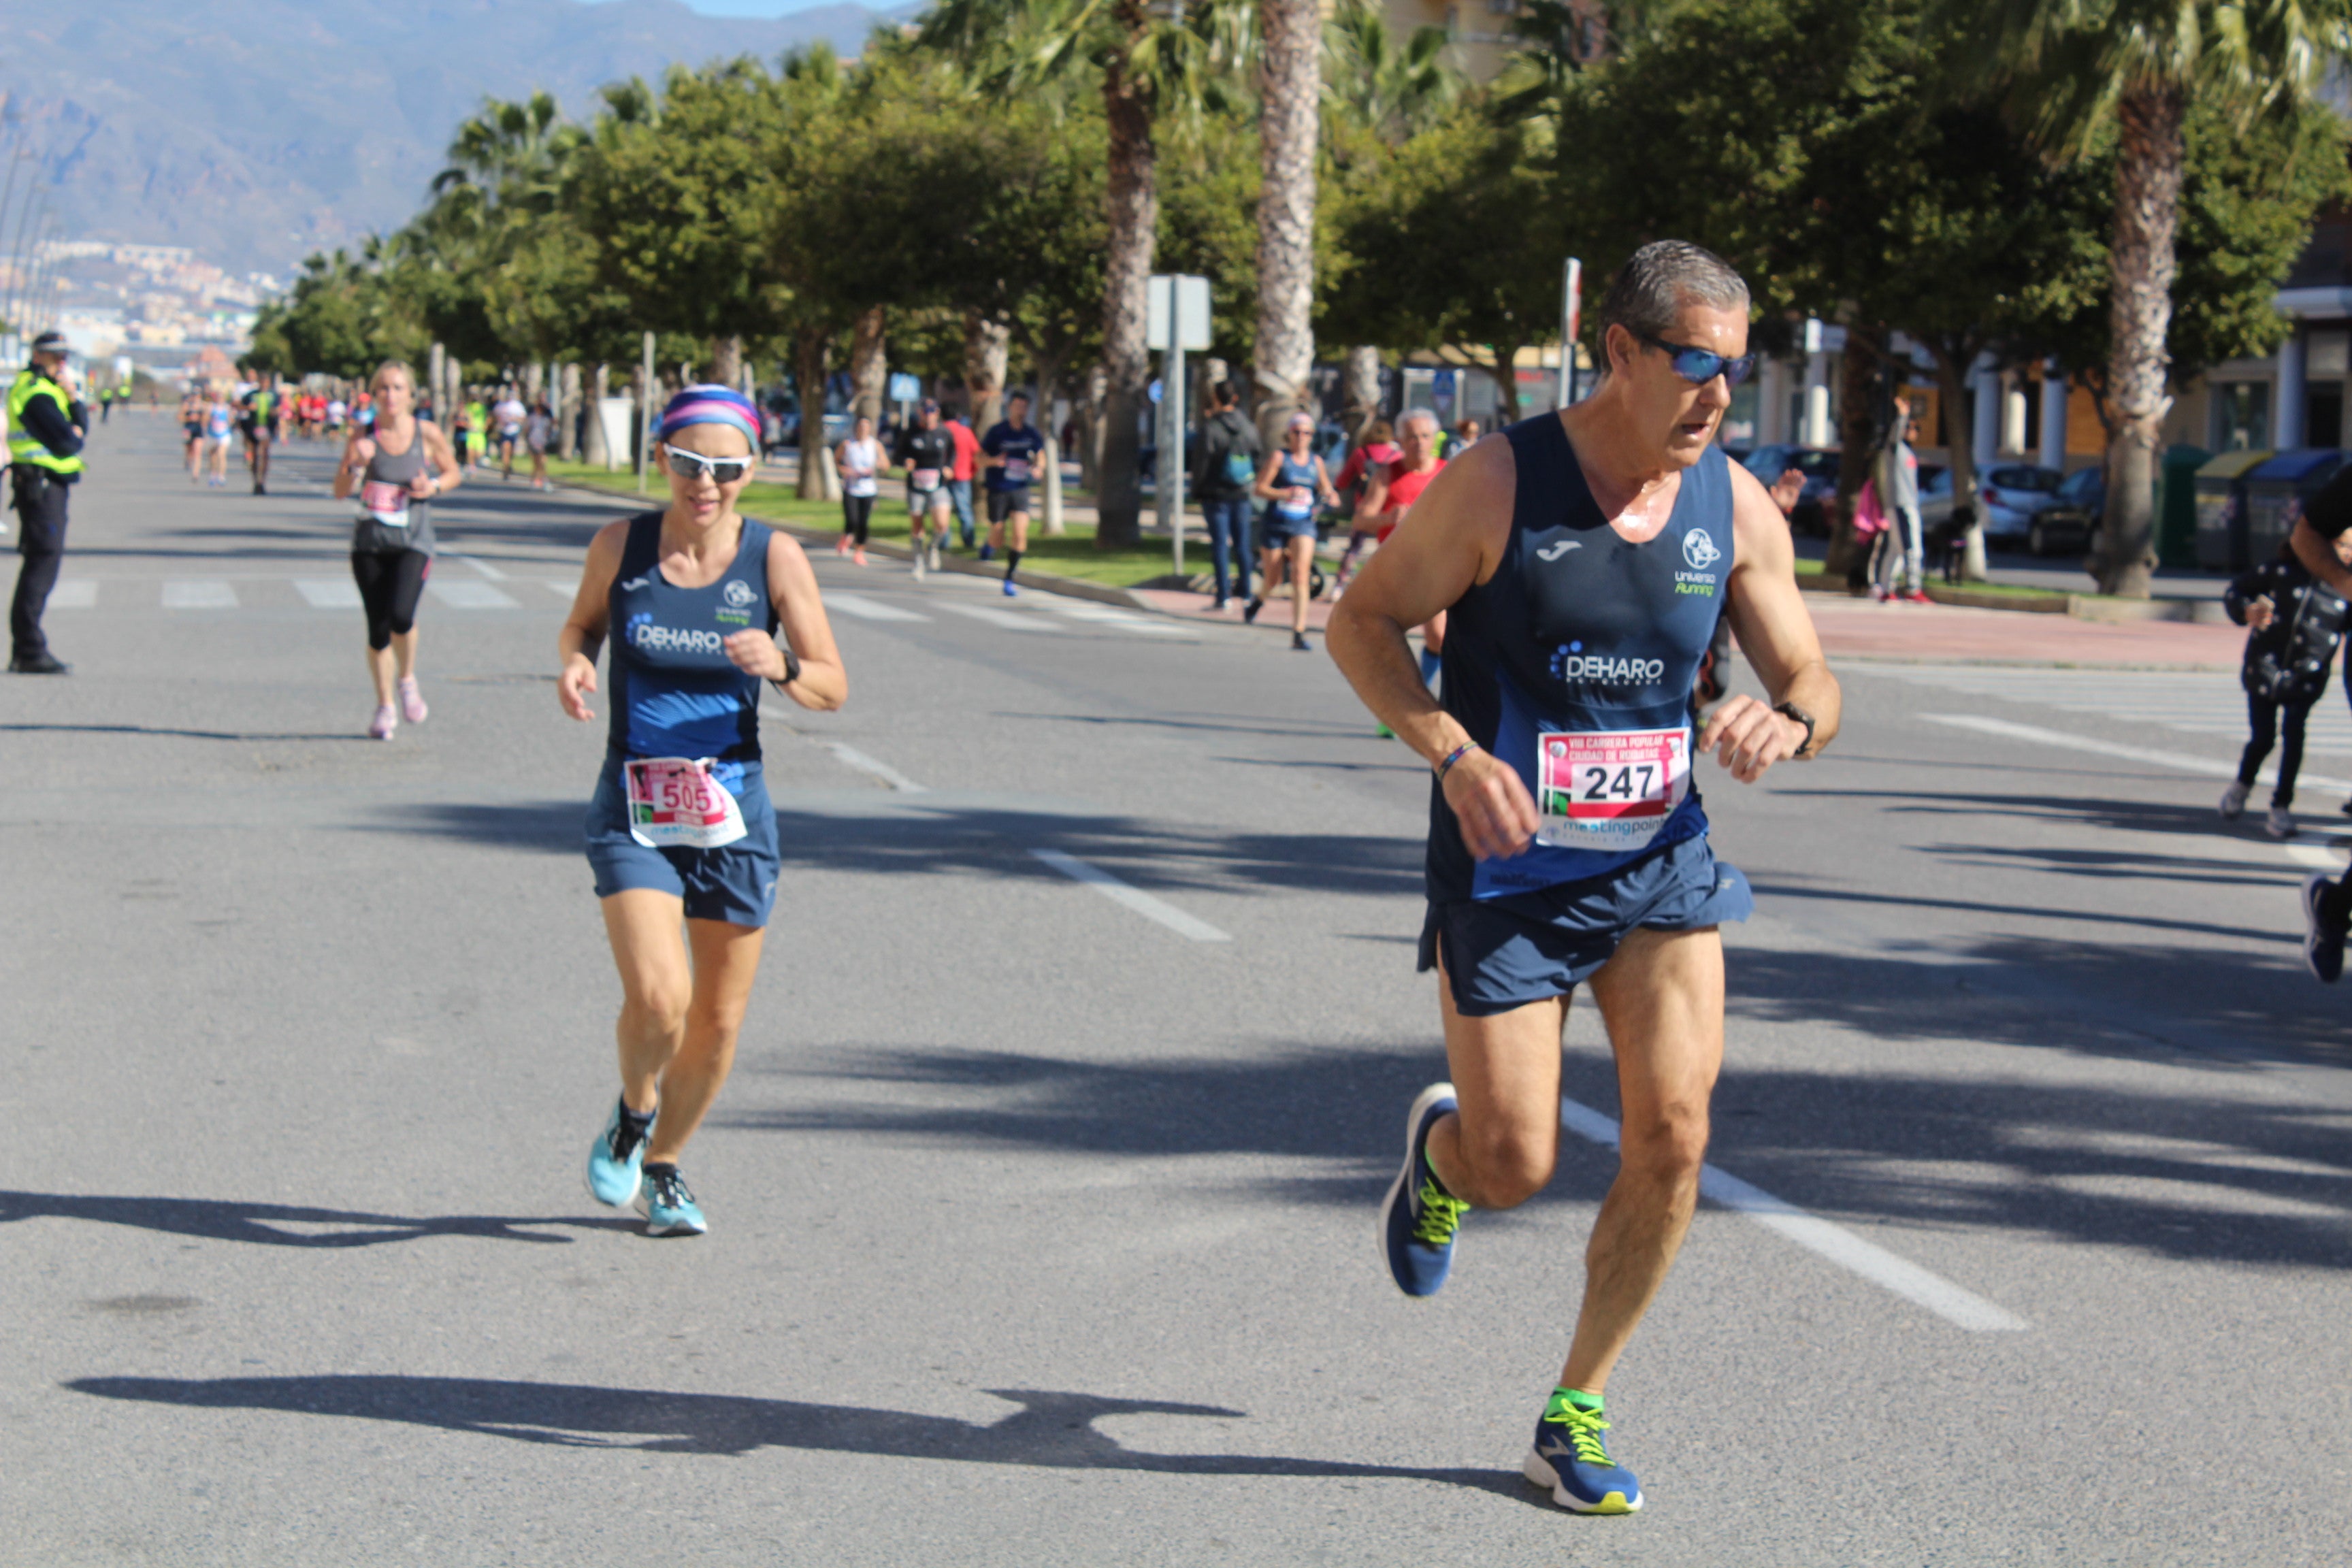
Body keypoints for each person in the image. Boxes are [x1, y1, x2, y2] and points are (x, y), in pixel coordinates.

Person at [1326, 240, 1840, 1516]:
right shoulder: (1497, 484)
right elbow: (1361, 618)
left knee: (1675, 1134)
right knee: (1517, 1163)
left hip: (1660, 866)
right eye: (1694, 366)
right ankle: (1443, 1163)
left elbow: (1815, 681)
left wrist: (1794, 721)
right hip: (1506, 877)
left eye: (1737, 370)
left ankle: (1576, 1405)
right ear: (1617, 349)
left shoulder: (1736, 504)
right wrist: (1448, 751)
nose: (1719, 397)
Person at [557, 385, 848, 1237]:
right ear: (664, 460)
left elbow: (833, 684)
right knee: (661, 1000)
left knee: (718, 1023)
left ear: (752, 469)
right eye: (690, 463)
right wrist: (574, 665)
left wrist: (785, 665)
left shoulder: (776, 558)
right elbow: (581, 628)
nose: (706, 483)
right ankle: (635, 1107)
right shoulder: (622, 544)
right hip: (638, 801)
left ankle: (666, 1165)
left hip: (732, 808)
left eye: (726, 468)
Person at [330, 361, 463, 740]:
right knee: (378, 630)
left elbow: (453, 472)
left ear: (410, 395)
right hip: (369, 543)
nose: (390, 395)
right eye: (384, 388)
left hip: (413, 541)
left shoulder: (426, 433)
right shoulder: (362, 434)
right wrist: (355, 464)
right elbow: (340, 490)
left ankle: (407, 679)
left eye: (398, 388)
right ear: (375, 394)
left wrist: (432, 487)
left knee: (402, 614)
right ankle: (385, 705)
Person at [2219, 537, 2349, 840]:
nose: (2346, 552)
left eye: (2351, 547)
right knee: (2263, 738)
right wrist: (2246, 609)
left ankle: (2281, 806)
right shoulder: (2281, 571)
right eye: (2341, 543)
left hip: (2307, 675)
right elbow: (2235, 591)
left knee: (2294, 734)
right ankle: (2242, 785)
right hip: (2264, 667)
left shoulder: (2345, 587)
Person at [7, 331, 87, 675]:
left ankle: (27, 648)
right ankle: (29, 649)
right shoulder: (36, 392)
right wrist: (74, 418)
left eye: (66, 357)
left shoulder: (49, 389)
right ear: (38, 356)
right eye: (56, 357)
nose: (63, 363)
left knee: (42, 564)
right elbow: (69, 442)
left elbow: (78, 431)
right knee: (41, 564)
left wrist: (73, 399)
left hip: (46, 485)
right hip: (39, 486)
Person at [1246, 411, 1339, 650]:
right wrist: (1285, 493)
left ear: (1312, 436)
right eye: (1296, 432)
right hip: (1276, 522)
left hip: (1303, 523)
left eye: (1306, 433)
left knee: (1300, 574)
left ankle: (1298, 632)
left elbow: (1326, 487)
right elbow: (1260, 488)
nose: (1301, 437)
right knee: (1274, 578)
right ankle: (1257, 602)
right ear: (1288, 434)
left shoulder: (1315, 462)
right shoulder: (1280, 458)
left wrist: (1331, 495)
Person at [1192, 380, 1261, 611]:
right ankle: (1247, 591)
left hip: (1216, 494)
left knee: (1220, 545)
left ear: (1216, 398)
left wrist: (1198, 490)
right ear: (1235, 399)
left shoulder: (1211, 427)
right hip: (1242, 493)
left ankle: (1223, 596)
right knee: (1242, 545)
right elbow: (1258, 457)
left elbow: (1202, 461)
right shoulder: (1249, 427)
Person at [980, 391, 1045, 595]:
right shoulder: (997, 432)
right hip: (998, 487)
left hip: (1020, 489)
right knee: (998, 536)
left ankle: (1010, 577)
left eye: (1025, 407)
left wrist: (1039, 468)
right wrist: (994, 461)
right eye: (1018, 406)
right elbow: (979, 459)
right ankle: (989, 546)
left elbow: (1040, 455)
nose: (1021, 411)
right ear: (1009, 407)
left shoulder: (1031, 433)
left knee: (1020, 532)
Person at [896, 399, 956, 576]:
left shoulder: (944, 432)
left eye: (932, 411)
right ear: (920, 413)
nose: (928, 415)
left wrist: (949, 467)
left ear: (937, 413)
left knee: (942, 523)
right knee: (917, 523)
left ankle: (934, 546)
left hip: (938, 483)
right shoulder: (911, 433)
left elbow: (953, 452)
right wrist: (905, 462)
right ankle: (918, 560)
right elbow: (898, 454)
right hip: (916, 485)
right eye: (925, 411)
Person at [835, 413, 881, 566]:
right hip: (851, 488)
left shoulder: (874, 445)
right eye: (861, 426)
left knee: (863, 523)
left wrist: (878, 466)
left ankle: (859, 552)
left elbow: (886, 463)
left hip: (868, 489)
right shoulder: (848, 444)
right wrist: (844, 470)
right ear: (856, 428)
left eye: (866, 426)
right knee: (852, 520)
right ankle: (846, 536)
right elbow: (836, 460)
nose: (863, 429)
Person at [946, 410, 981, 552]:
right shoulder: (965, 432)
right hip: (963, 475)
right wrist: (972, 470)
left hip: (943, 476)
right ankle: (969, 541)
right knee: (965, 510)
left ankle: (944, 542)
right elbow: (976, 453)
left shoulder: (941, 430)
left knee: (943, 510)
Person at [240, 375, 277, 495]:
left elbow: (279, 408)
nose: (264, 385)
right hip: (254, 426)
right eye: (262, 382)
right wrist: (247, 407)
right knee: (256, 455)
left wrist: (275, 412)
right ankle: (256, 481)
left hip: (267, 427)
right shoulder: (251, 395)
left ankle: (262, 482)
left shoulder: (273, 395)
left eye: (266, 383)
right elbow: (239, 406)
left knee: (265, 454)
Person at [494, 387, 527, 480]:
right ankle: (505, 469)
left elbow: (523, 417)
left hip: (514, 431)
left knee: (511, 451)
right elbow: (496, 415)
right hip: (504, 431)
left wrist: (514, 419)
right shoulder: (501, 405)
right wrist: (501, 421)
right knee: (505, 449)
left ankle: (509, 465)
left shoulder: (517, 406)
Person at [204, 391, 235, 486]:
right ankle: (213, 474)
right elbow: (205, 419)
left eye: (221, 397)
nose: (220, 399)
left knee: (221, 454)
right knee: (213, 456)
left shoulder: (227, 408)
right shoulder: (211, 407)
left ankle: (221, 476)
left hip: (224, 434)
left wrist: (231, 418)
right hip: (212, 434)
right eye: (218, 397)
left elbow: (232, 421)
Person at [525, 398, 555, 490]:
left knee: (541, 463)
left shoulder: (546, 420)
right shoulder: (532, 418)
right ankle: (539, 480)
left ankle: (540, 480)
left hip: (542, 443)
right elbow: (527, 429)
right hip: (533, 442)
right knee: (537, 463)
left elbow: (549, 430)